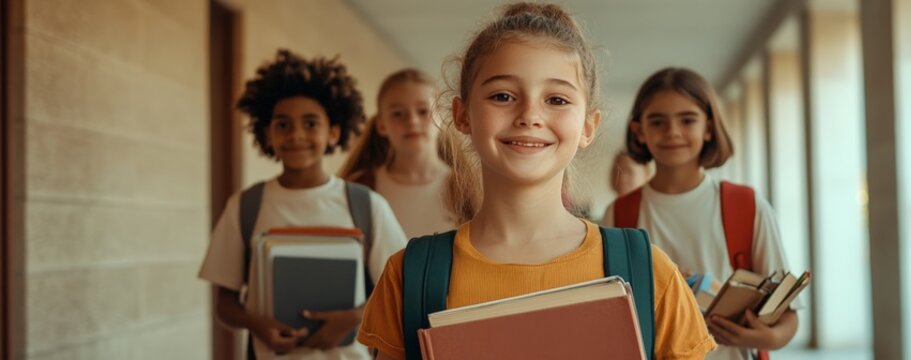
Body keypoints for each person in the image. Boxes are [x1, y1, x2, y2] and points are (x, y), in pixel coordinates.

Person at [356, 4, 716, 360]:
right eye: (502, 96)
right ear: (462, 115)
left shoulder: (650, 272)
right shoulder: (409, 276)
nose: (529, 115)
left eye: (556, 99)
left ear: (588, 126)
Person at [198, 49, 407, 359]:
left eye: (311, 124)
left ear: (333, 132)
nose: (296, 135)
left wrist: (354, 318)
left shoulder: (366, 206)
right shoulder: (245, 206)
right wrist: (255, 323)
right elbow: (224, 304)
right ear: (267, 135)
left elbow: (400, 291)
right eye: (283, 125)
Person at [603, 67, 800, 360]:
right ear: (639, 131)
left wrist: (765, 337)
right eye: (657, 121)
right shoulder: (619, 215)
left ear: (708, 127)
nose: (672, 132)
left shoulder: (747, 206)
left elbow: (787, 316)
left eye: (687, 120)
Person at [338, 69, 454, 238]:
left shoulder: (468, 189)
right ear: (381, 125)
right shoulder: (359, 188)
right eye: (398, 114)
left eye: (423, 111)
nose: (412, 121)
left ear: (442, 117)